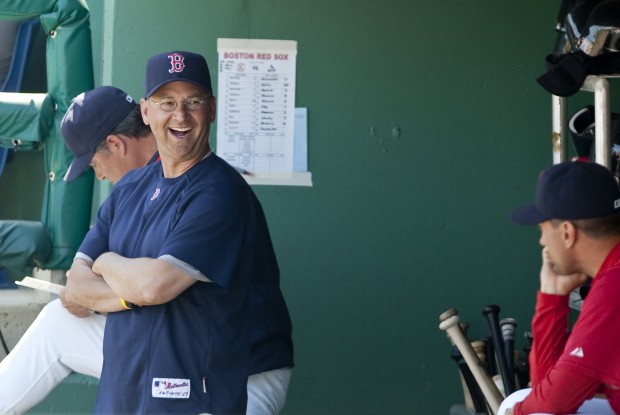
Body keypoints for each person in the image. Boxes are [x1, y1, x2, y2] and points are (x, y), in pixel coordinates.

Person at [0, 52, 293, 414]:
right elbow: (79, 287)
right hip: (166, 344)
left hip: (240, 366)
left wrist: (107, 266)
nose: (100, 176)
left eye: (95, 165)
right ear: (146, 112)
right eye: (166, 103)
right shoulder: (134, 186)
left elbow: (153, 286)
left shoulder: (217, 189)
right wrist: (127, 294)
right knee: (58, 322)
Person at [501, 160, 620, 415]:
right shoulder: (611, 274)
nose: (542, 241)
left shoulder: (613, 288)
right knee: (523, 400)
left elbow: (551, 405)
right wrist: (553, 295)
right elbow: (546, 388)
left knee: (517, 408)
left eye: (542, 229)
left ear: (567, 232)